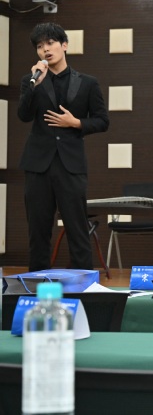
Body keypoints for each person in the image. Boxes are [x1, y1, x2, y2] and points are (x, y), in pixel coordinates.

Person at [18, 22, 109, 271]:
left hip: (70, 165)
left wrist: (75, 122)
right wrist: (34, 86)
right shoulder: (31, 80)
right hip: (38, 165)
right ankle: (38, 284)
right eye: (40, 46)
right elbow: (23, 115)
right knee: (38, 231)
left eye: (50, 43)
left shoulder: (88, 83)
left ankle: (83, 286)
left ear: (64, 45)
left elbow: (102, 120)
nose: (45, 50)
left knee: (77, 229)